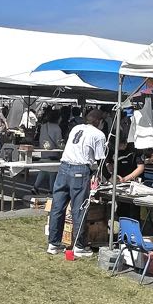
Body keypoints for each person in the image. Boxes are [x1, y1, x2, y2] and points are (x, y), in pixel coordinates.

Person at [45, 109, 107, 257]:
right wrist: (105, 176)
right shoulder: (99, 134)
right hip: (79, 170)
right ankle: (79, 246)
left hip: (64, 167)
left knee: (57, 207)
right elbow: (100, 159)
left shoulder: (76, 128)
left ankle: (53, 243)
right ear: (99, 121)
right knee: (79, 209)